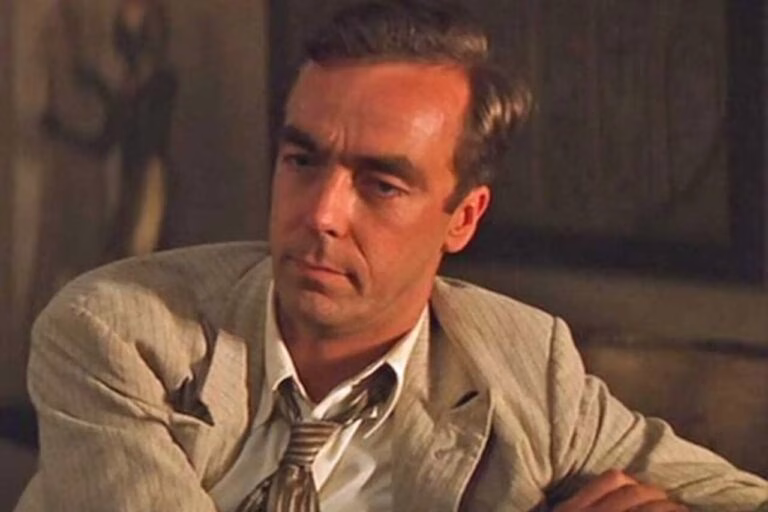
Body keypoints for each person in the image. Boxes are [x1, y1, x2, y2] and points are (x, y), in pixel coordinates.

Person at [15, 1, 768, 511]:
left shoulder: (528, 370)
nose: (321, 214)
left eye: (381, 184)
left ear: (462, 218)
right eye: (302, 160)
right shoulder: (114, 331)